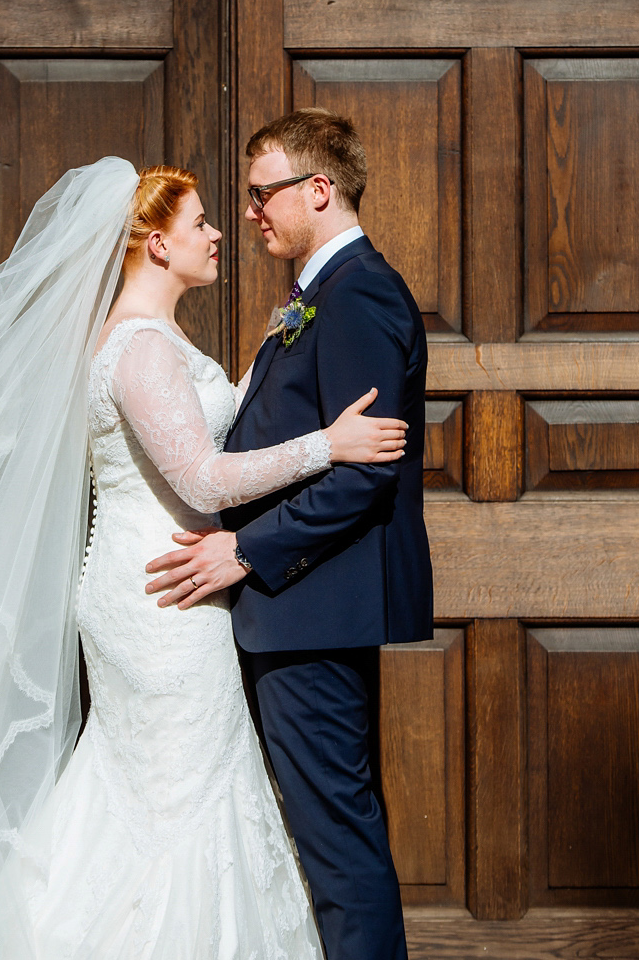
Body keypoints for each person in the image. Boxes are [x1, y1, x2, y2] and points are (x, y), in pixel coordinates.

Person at [0, 155, 407, 960]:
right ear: (157, 244)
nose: (219, 232)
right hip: (167, 598)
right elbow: (200, 475)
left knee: (150, 791)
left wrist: (266, 361)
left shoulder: (151, 339)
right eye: (199, 224)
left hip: (163, 583)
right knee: (179, 801)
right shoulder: (143, 349)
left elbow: (198, 426)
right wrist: (327, 444)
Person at [146, 109, 433, 960]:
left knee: (338, 844)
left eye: (262, 192)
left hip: (313, 607)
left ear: (319, 189)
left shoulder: (360, 295)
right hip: (297, 608)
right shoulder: (317, 296)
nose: (250, 212)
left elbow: (364, 472)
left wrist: (245, 550)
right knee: (329, 834)